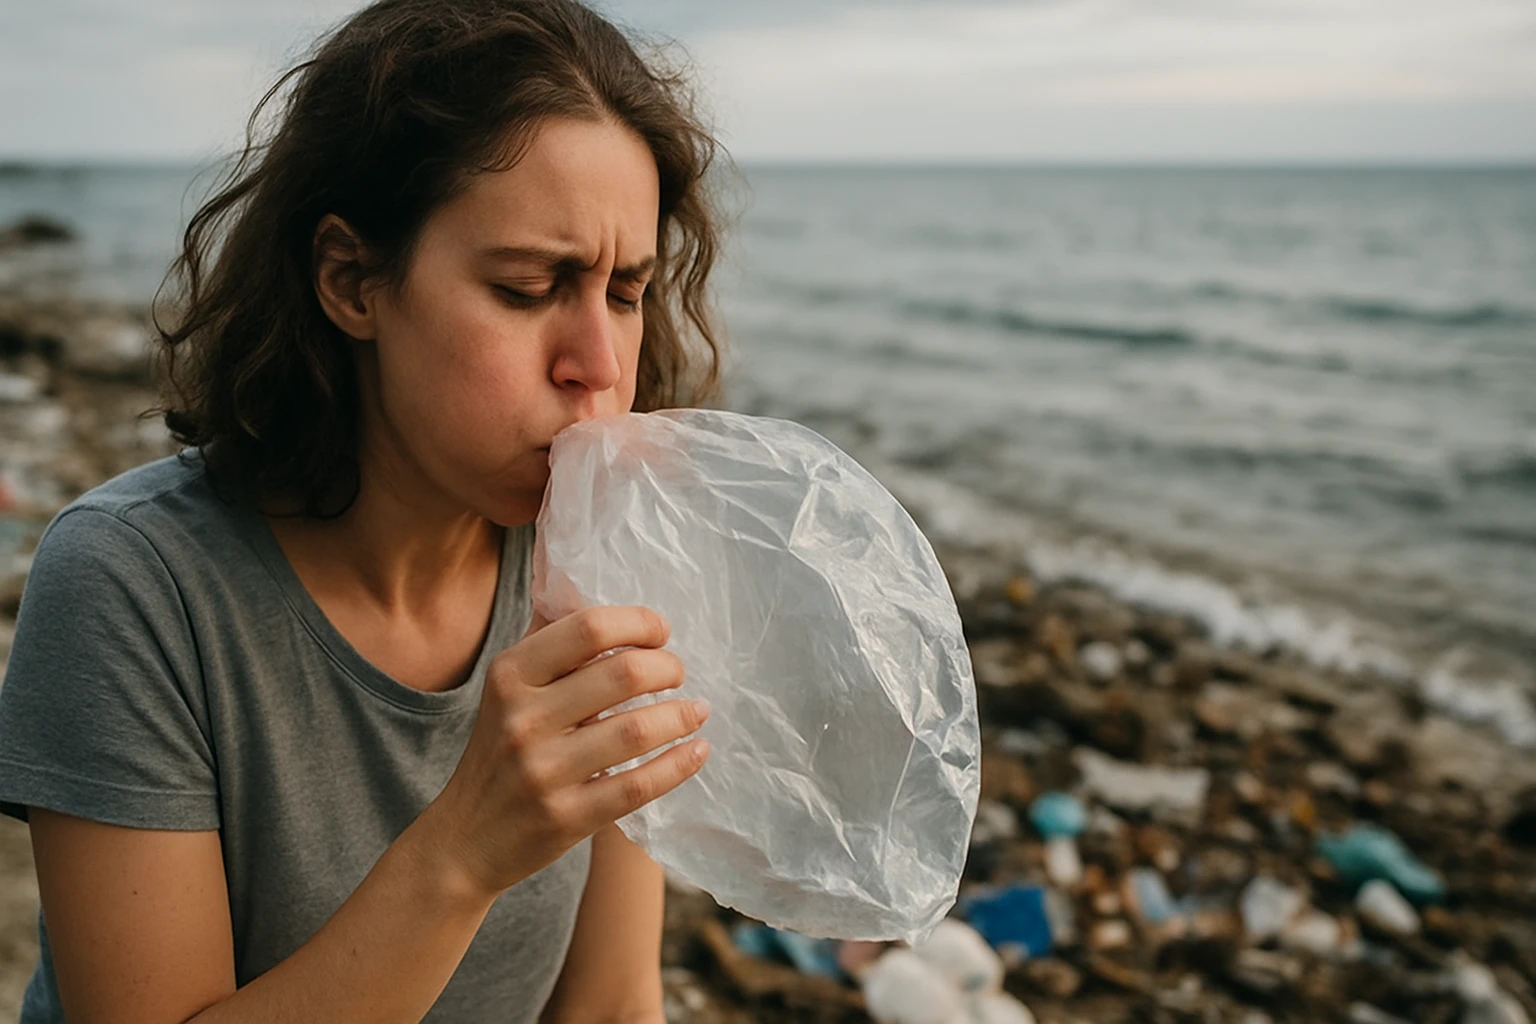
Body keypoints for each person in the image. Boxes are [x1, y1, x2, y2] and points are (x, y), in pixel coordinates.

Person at [0, 0, 730, 1020]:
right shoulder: (135, 587)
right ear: (350, 280)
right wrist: (465, 852)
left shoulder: (601, 561)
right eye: (528, 287)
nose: (601, 369)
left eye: (624, 291)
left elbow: (610, 1005)